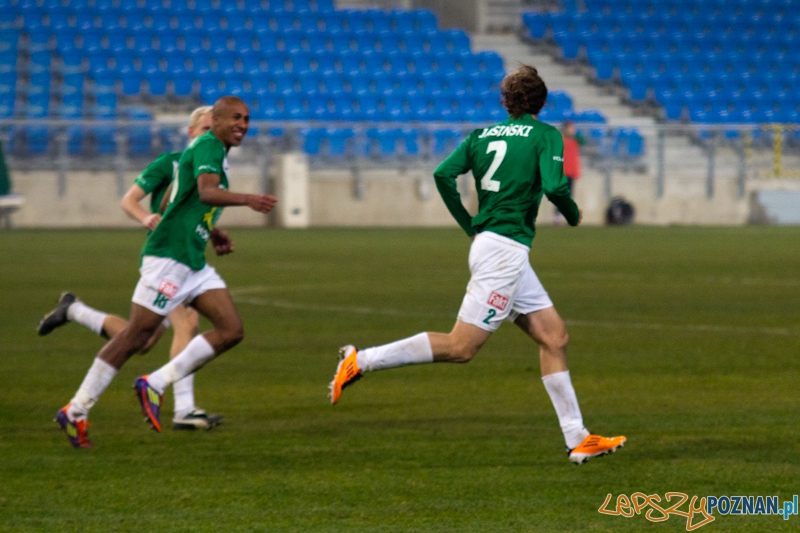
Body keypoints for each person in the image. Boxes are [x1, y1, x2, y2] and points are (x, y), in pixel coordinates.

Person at [329, 65, 626, 465]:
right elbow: (556, 186)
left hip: (496, 247)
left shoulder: (481, 135)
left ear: (505, 102)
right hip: (504, 252)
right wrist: (572, 213)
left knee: (554, 338)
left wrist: (469, 224)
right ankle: (360, 360)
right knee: (461, 347)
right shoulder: (546, 135)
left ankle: (577, 438)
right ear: (542, 101)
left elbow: (442, 174)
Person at [55, 96, 277, 448]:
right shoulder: (209, 147)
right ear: (215, 121)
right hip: (169, 259)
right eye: (235, 118)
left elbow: (176, 202)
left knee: (231, 330)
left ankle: (155, 383)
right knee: (135, 338)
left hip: (191, 261)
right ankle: (76, 410)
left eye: (247, 119)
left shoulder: (212, 151)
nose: (243, 125)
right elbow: (206, 193)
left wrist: (212, 231)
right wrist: (248, 199)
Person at [39, 106, 223, 430]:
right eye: (205, 128)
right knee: (187, 323)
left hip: (183, 260)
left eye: (214, 129)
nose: (211, 135)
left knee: (142, 340)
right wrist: (145, 217)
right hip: (167, 261)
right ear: (191, 132)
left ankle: (74, 310)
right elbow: (129, 199)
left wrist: (215, 232)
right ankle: (184, 410)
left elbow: (196, 215)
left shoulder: (213, 167)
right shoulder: (171, 162)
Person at [554, 119, 583, 224]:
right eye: (570, 128)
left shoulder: (575, 140)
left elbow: (585, 141)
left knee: (569, 194)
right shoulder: (561, 139)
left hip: (571, 171)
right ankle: (558, 215)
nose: (572, 130)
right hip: (562, 172)